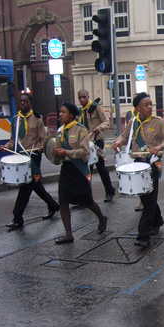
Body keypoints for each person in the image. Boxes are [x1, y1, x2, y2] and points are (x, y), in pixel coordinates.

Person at [112, 92, 164, 248]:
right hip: (137, 164)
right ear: (137, 108)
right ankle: (158, 220)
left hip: (153, 164)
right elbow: (124, 137)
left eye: (151, 104)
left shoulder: (158, 122)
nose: (150, 107)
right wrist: (117, 142)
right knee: (148, 198)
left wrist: (159, 147)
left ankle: (143, 235)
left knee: (149, 198)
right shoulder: (133, 122)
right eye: (146, 105)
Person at [0, 92, 59, 230]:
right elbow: (13, 140)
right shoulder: (15, 119)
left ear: (30, 103)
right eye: (21, 101)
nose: (23, 103)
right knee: (35, 185)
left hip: (33, 157)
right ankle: (53, 206)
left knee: (26, 187)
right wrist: (6, 146)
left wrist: (39, 148)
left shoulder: (37, 119)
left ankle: (17, 218)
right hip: (21, 157)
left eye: (26, 101)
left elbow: (43, 139)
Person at [53, 103, 107, 244]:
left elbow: (85, 152)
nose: (60, 114)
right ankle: (68, 234)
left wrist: (67, 152)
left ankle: (101, 218)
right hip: (66, 169)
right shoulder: (60, 131)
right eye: (60, 112)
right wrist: (55, 153)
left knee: (87, 201)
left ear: (71, 115)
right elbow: (57, 150)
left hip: (79, 170)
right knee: (63, 201)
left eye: (63, 112)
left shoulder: (81, 130)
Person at [77, 89, 116, 202]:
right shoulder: (80, 111)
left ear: (88, 96)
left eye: (84, 97)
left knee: (100, 167)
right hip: (85, 143)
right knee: (86, 169)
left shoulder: (95, 107)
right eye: (80, 97)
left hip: (96, 141)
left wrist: (97, 129)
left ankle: (109, 191)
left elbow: (106, 121)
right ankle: (85, 197)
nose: (82, 99)